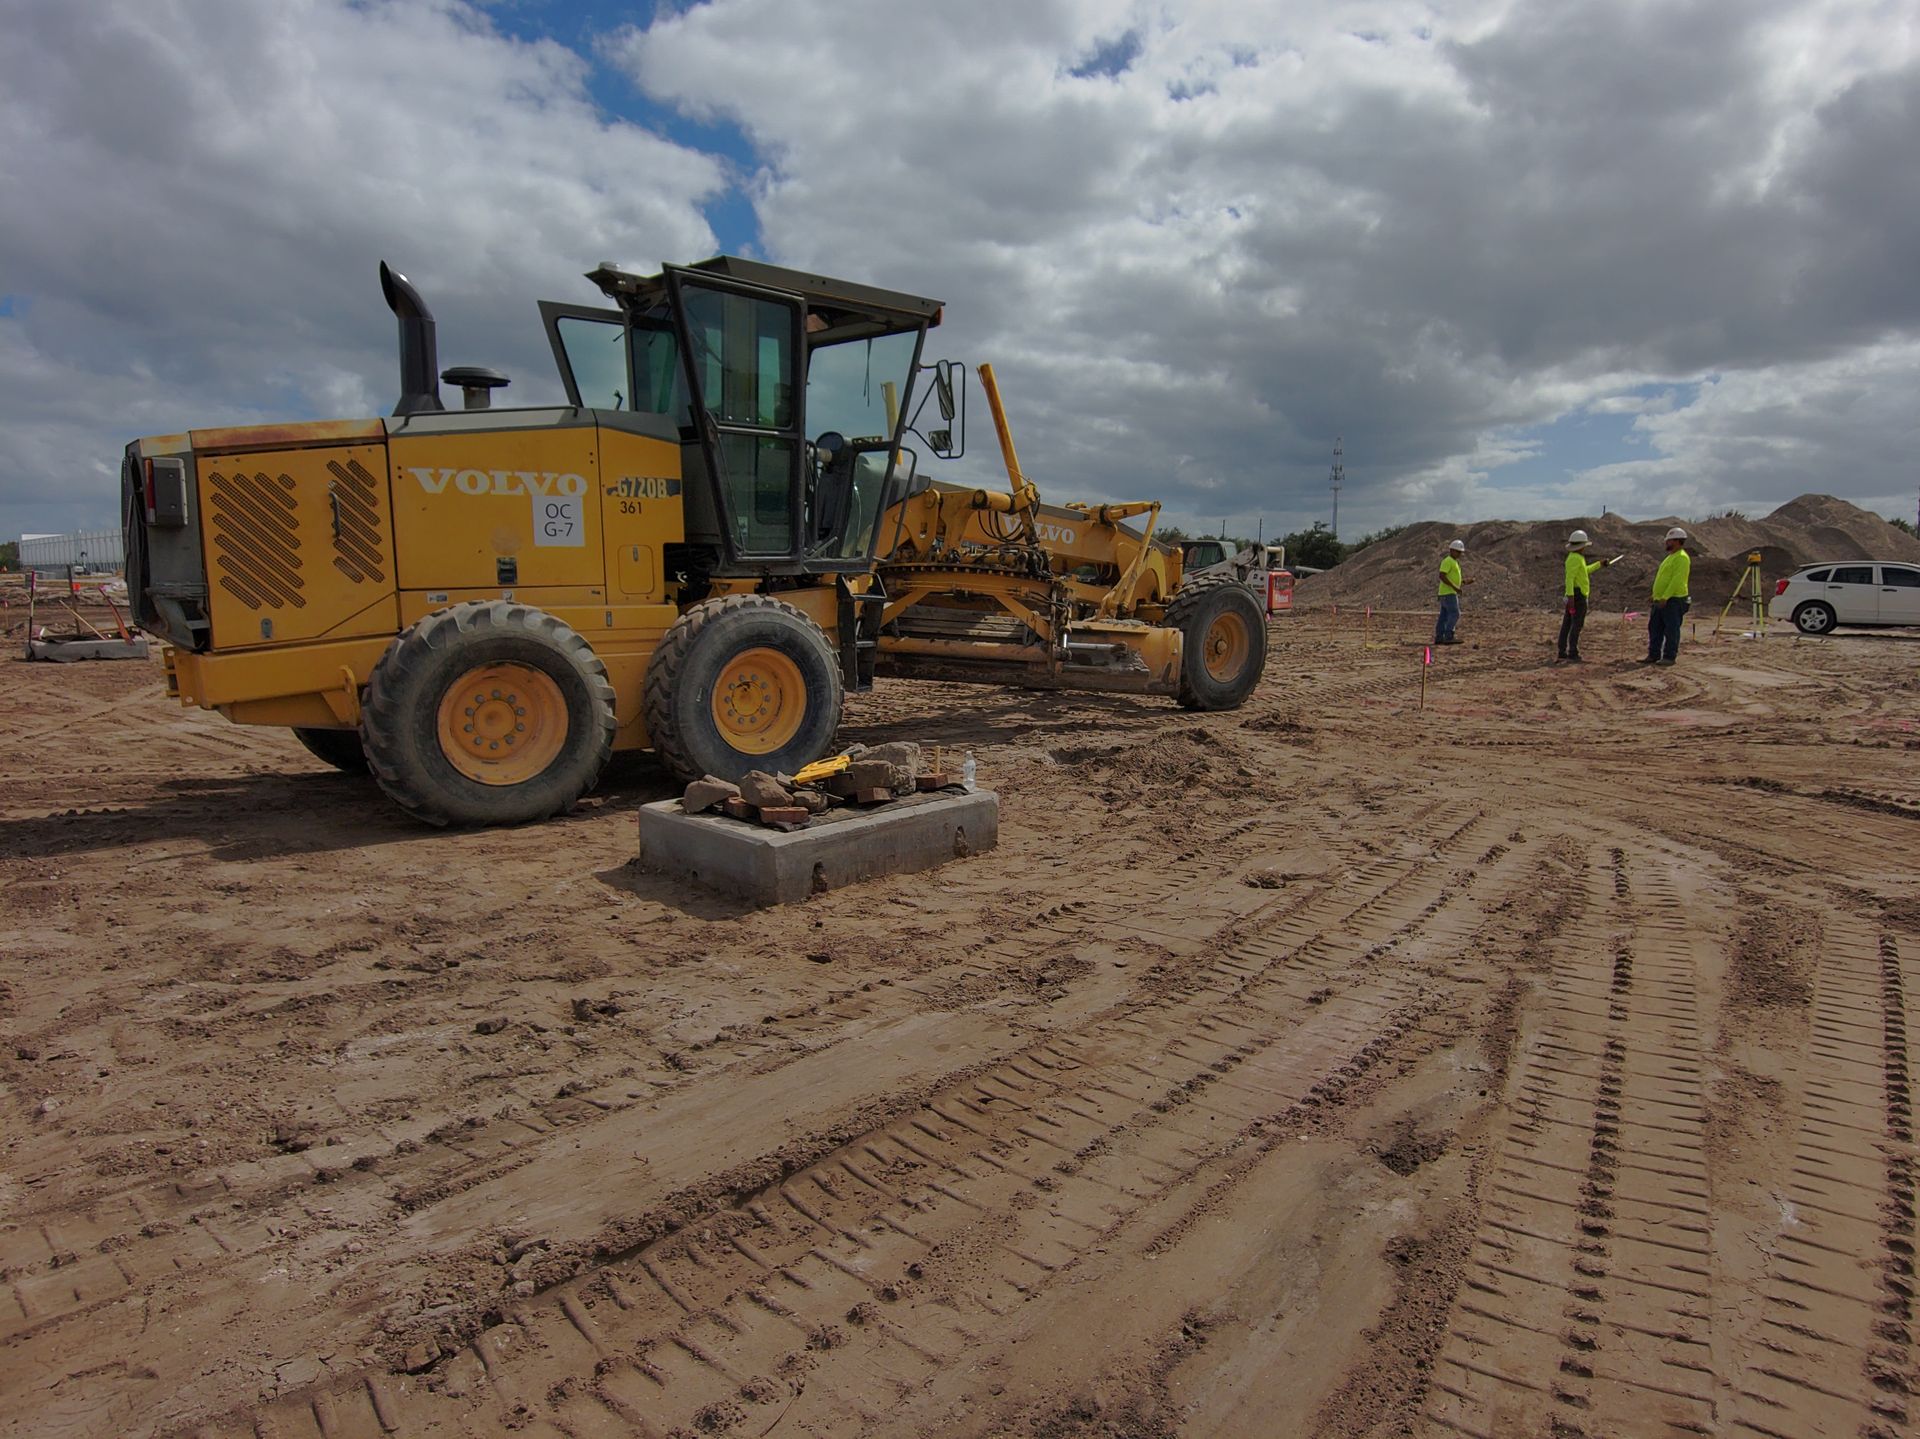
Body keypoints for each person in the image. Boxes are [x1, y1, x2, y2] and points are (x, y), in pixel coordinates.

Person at [1557, 530, 1616, 662]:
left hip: (1575, 595)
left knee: (1568, 624)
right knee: (1575, 625)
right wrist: (1571, 598)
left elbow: (1584, 571)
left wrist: (1599, 564)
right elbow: (1569, 579)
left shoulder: (1576, 558)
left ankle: (1563, 651)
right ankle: (1572, 652)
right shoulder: (1575, 558)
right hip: (1577, 596)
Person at [1642, 527, 1692, 666]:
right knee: (1655, 628)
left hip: (1674, 600)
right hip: (1661, 599)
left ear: (1677, 541)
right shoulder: (1670, 557)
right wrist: (1655, 595)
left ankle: (1669, 656)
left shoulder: (1682, 558)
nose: (1666, 543)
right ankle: (1653, 654)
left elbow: (1677, 580)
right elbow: (1663, 579)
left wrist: (1666, 597)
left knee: (1671, 629)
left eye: (1669, 541)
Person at [1435, 538, 1470, 645]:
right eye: (1458, 552)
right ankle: (1448, 636)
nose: (1459, 554)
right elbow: (1442, 576)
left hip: (1446, 593)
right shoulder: (1448, 561)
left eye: (1460, 552)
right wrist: (1455, 587)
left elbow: (1451, 578)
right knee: (1455, 613)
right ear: (1451, 550)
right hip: (1448, 593)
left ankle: (1440, 636)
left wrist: (1463, 582)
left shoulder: (1454, 562)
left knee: (1444, 615)